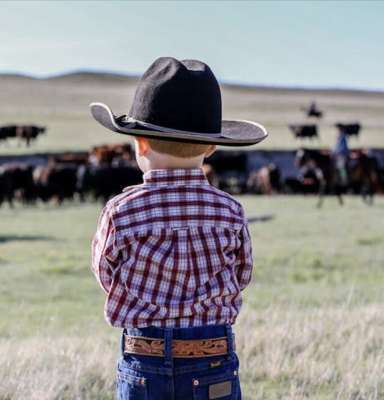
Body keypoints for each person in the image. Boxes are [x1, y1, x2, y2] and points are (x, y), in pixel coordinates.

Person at [89, 57, 267, 399]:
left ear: (140, 144)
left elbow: (105, 274)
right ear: (212, 146)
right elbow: (242, 275)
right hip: (212, 355)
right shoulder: (230, 211)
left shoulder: (120, 211)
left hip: (144, 353)